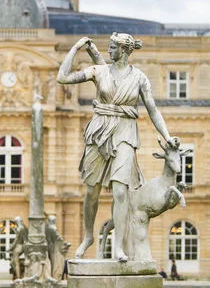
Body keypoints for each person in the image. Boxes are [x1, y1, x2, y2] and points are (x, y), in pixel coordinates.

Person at [57, 33, 175, 262]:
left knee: (121, 191)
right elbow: (63, 77)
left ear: (124, 50)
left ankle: (119, 247)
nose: (108, 51)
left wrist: (167, 136)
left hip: (126, 132)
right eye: (108, 48)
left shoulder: (140, 78)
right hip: (100, 131)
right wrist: (76, 47)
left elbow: (152, 109)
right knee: (92, 191)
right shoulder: (98, 71)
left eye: (112, 48)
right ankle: (89, 236)